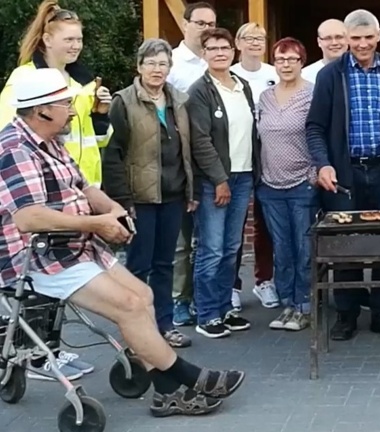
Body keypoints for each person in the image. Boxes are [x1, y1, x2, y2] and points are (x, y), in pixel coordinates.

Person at [0, 67, 244, 417]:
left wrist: (114, 209)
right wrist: (97, 223)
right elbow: (29, 218)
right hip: (35, 257)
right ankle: (187, 376)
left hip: (72, 244)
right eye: (65, 103)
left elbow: (83, 187)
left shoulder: (50, 140)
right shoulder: (14, 149)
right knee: (129, 305)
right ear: (41, 110)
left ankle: (166, 391)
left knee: (143, 296)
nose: (72, 110)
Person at [0, 0, 111, 381]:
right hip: (36, 193)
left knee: (60, 279)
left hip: (79, 188)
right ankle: (36, 355)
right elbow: (11, 137)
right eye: (68, 38)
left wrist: (100, 117)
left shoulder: (79, 82)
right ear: (46, 39)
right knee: (40, 279)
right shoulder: (26, 80)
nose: (76, 45)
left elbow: (93, 138)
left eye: (80, 38)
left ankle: (52, 350)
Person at [306, 9, 380, 341]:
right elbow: (314, 127)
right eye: (355, 38)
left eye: (367, 37)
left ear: (378, 36)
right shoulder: (331, 75)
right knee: (346, 246)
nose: (361, 44)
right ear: (346, 39)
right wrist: (323, 164)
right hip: (344, 174)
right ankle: (346, 314)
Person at [102, 39, 195, 348]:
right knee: (139, 264)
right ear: (139, 66)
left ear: (170, 68)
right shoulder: (123, 102)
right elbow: (113, 156)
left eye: (163, 64)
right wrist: (122, 201)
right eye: (151, 63)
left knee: (165, 263)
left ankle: (165, 324)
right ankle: (136, 330)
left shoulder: (179, 100)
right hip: (139, 197)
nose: (157, 70)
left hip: (172, 194)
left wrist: (190, 190)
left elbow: (188, 150)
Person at [187, 28, 257, 339]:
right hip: (216, 180)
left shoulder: (242, 86)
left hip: (244, 176)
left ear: (234, 51)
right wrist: (219, 179)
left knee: (231, 249)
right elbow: (201, 141)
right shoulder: (199, 91)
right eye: (212, 48)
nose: (219, 53)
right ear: (204, 54)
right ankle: (206, 314)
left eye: (224, 47)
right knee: (211, 249)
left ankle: (225, 308)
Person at [256, 38, 317, 331]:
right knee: (282, 250)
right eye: (281, 59)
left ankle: (305, 306)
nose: (286, 65)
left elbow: (321, 133)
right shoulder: (264, 97)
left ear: (301, 61)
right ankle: (287, 306)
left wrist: (316, 171)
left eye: (292, 59)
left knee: (304, 248)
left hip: (302, 183)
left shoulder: (312, 94)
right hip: (270, 186)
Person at [168, 1, 217, 329]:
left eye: (211, 23)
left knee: (210, 239)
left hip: (212, 162)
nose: (205, 28)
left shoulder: (218, 59)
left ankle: (206, 298)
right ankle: (178, 300)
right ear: (185, 25)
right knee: (182, 240)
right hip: (180, 160)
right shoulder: (170, 63)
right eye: (199, 23)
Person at [230, 21, 280, 312]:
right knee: (233, 227)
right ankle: (231, 286)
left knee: (266, 225)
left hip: (269, 157)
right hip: (237, 158)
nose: (255, 43)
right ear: (238, 44)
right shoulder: (229, 74)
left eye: (260, 38)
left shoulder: (274, 73)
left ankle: (265, 281)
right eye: (249, 38)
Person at [302, 19, 348, 83]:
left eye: (339, 37)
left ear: (348, 39)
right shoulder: (305, 76)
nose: (334, 43)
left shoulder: (361, 71)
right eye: (328, 38)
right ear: (319, 42)